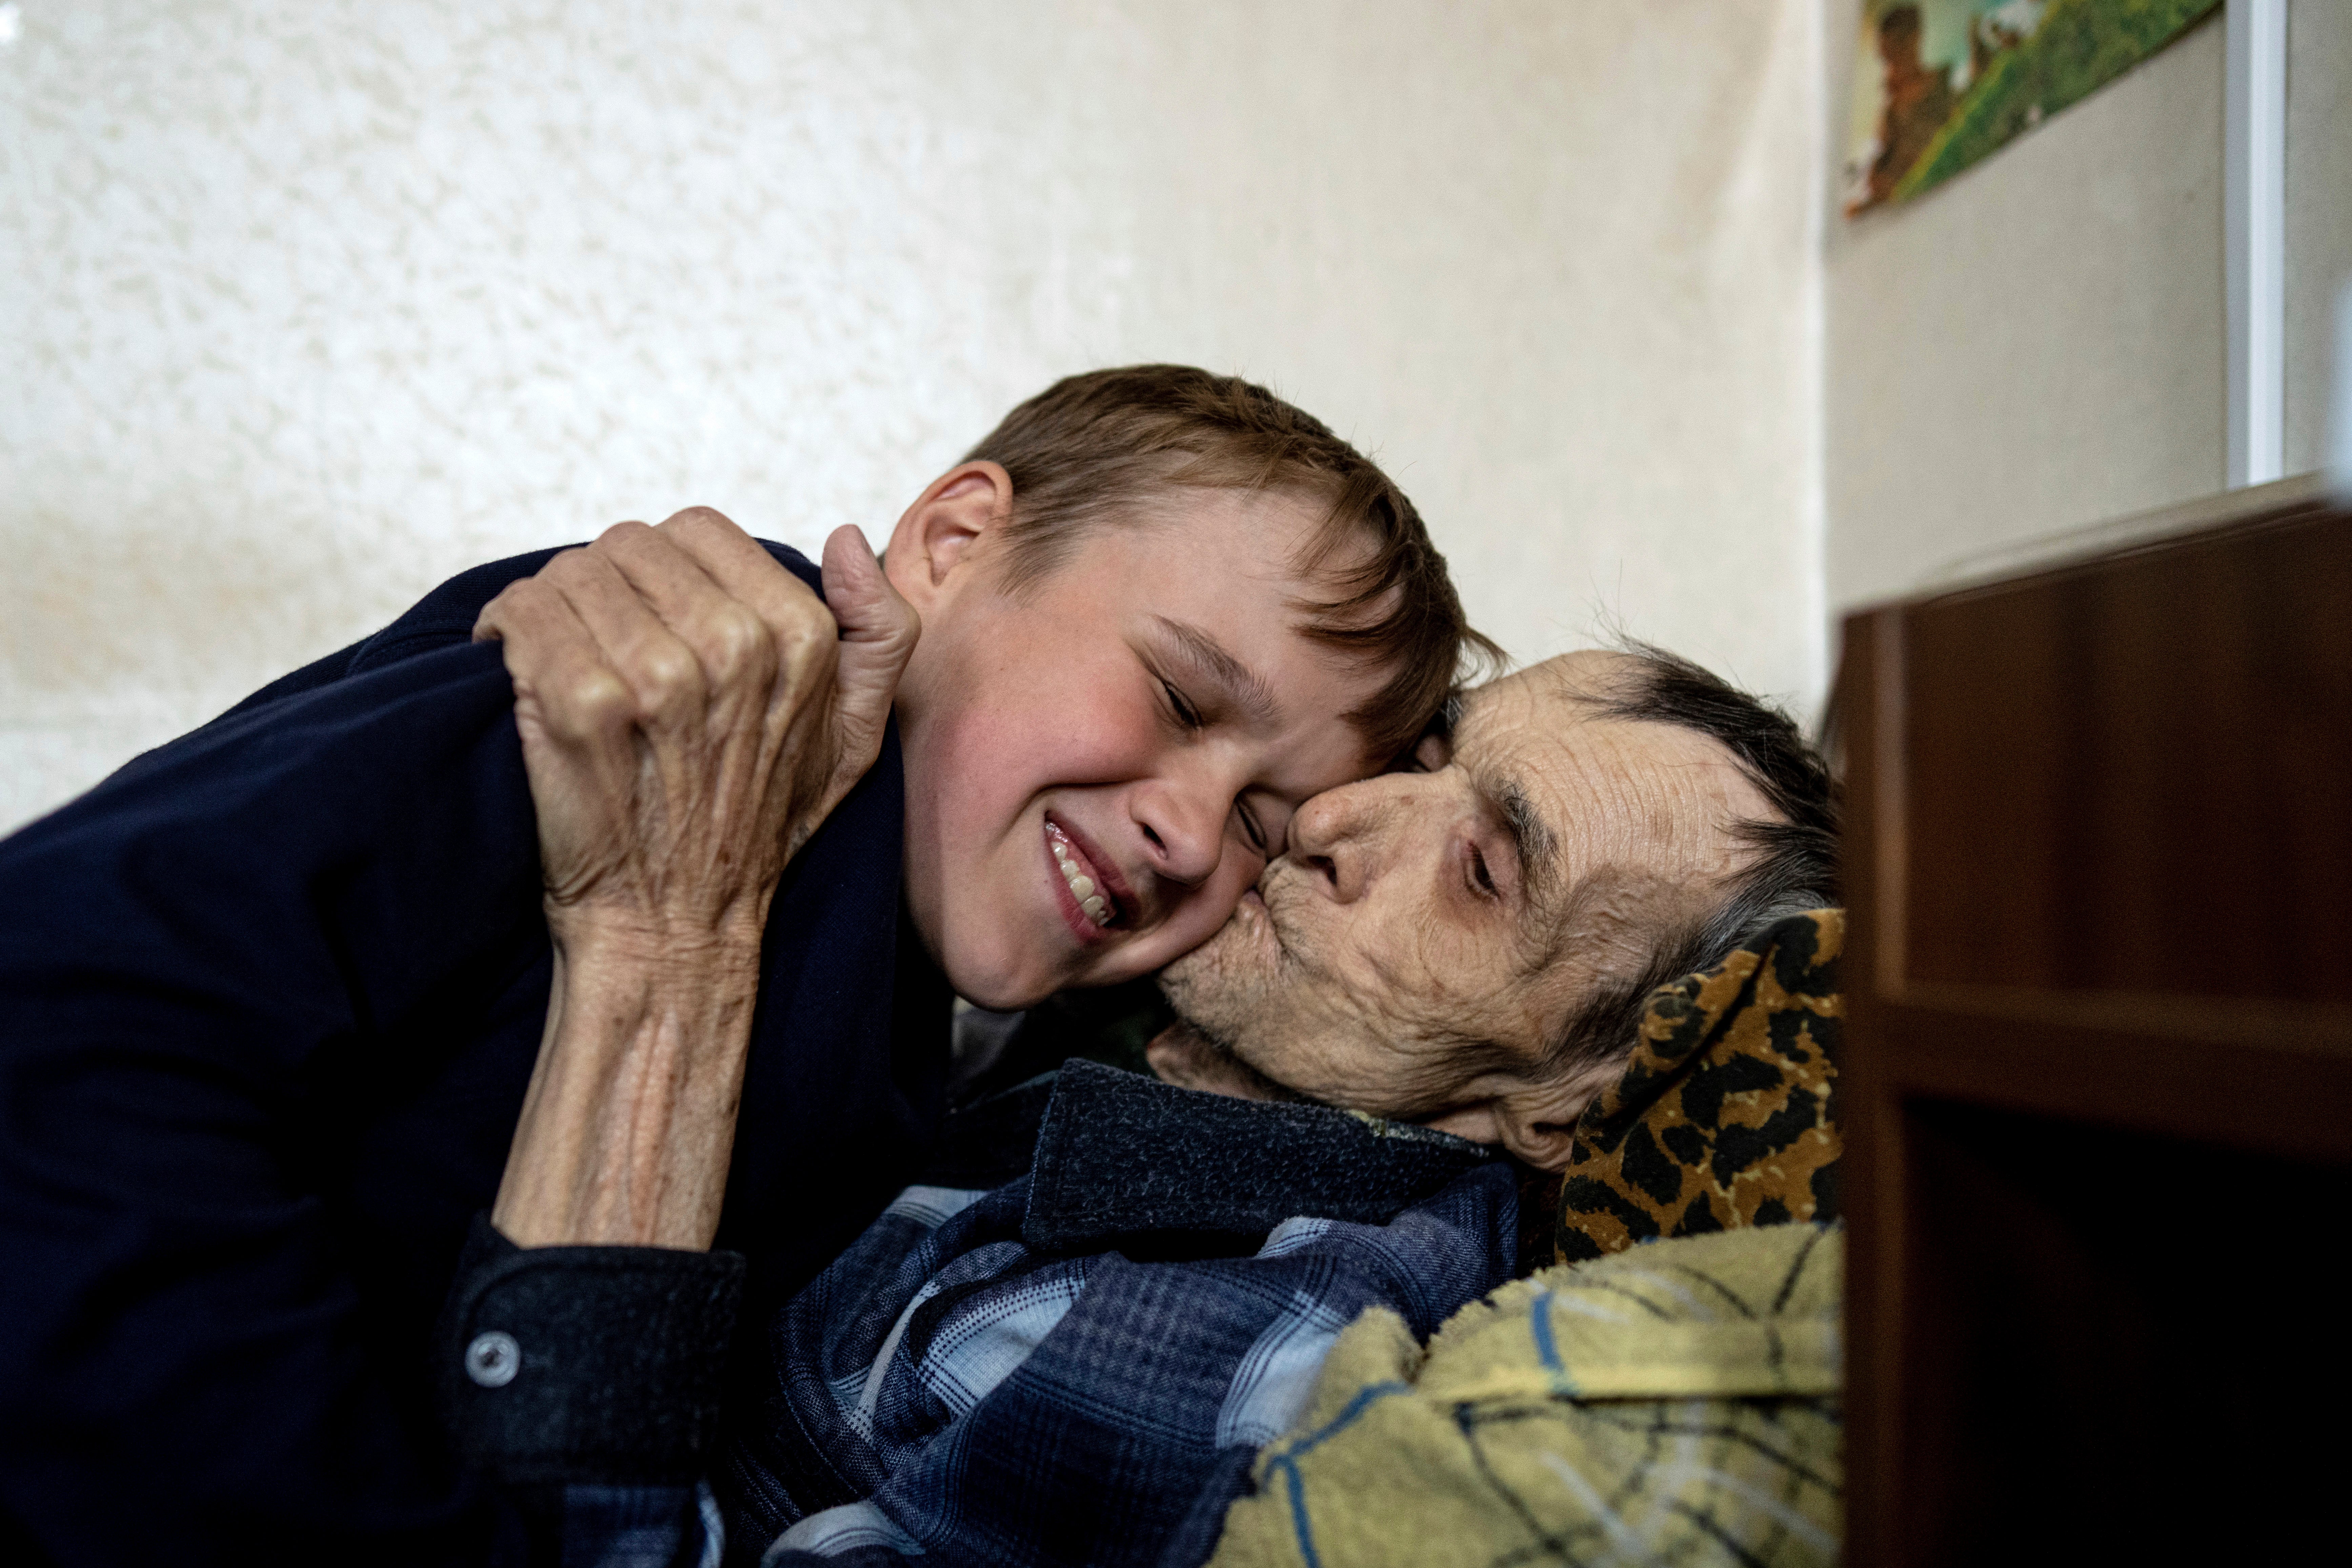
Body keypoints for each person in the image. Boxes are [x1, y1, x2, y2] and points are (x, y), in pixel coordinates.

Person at [0, 366, 1481, 1565]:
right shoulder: (678, 689)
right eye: (1173, 692)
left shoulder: (977, 1029)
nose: (1183, 825)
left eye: (1266, 827)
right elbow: (76, 1009)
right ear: (957, 544)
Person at [434, 601, 1839, 1564]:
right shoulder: (1150, 989)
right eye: (1430, 757)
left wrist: (657, 964)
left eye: (1480, 872)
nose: (1338, 815)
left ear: (1559, 1100)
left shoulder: (1228, 1329)